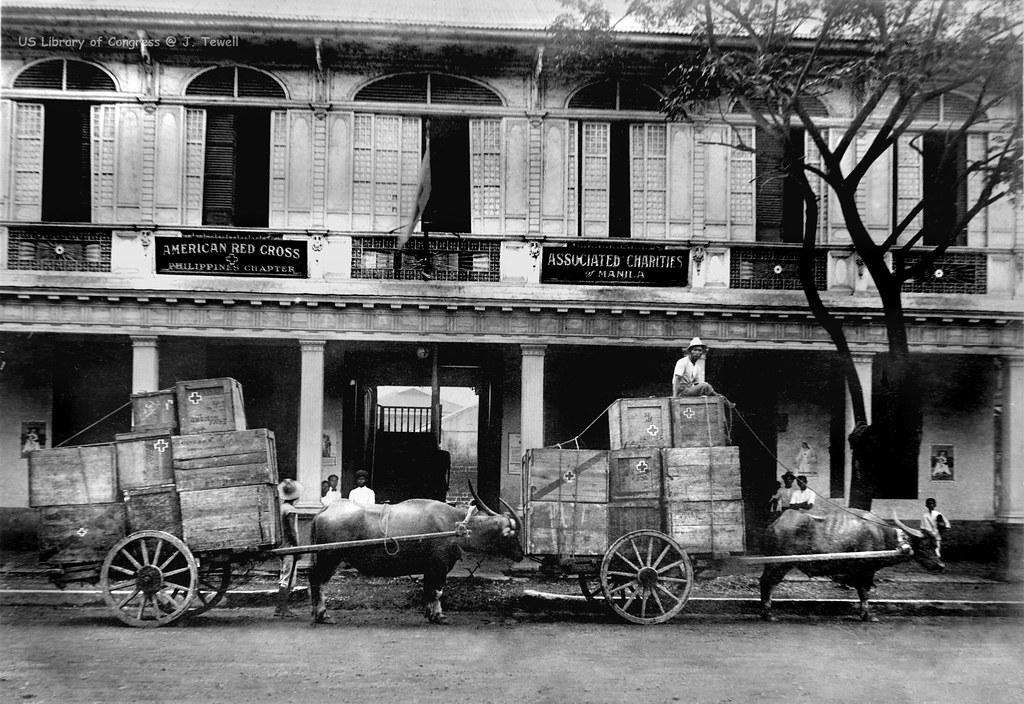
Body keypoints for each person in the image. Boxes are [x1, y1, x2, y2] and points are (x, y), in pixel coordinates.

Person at [275, 478, 302, 619]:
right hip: (289, 547)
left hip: (283, 546)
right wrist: (297, 547)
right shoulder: (290, 510)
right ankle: (281, 609)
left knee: (285, 577)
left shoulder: (282, 508)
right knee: (287, 579)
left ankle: (281, 608)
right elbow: (292, 531)